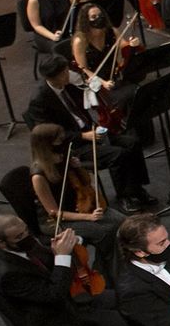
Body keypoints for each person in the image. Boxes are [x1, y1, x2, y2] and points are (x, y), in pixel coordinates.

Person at [0, 215, 133, 326]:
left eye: (26, 231)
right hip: (57, 325)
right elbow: (54, 294)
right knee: (125, 323)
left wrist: (70, 242)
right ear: (1, 243)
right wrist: (62, 256)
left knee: (127, 298)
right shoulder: (8, 274)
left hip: (70, 302)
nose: (27, 237)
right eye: (19, 236)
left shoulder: (23, 246)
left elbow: (47, 251)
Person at [24, 55, 155, 213]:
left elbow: (85, 105)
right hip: (72, 145)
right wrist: (82, 136)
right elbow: (48, 135)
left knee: (132, 143)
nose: (68, 75)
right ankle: (125, 197)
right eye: (65, 73)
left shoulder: (69, 84)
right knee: (118, 155)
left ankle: (137, 189)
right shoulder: (39, 100)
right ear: (53, 77)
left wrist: (90, 88)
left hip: (89, 131)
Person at [28, 123, 125, 271]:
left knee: (122, 222)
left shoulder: (65, 156)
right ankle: (106, 271)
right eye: (59, 141)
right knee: (104, 233)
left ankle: (112, 266)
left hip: (81, 205)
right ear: (46, 145)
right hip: (56, 221)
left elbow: (85, 181)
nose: (63, 144)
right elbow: (54, 212)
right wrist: (89, 218)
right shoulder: (38, 176)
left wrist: (78, 166)